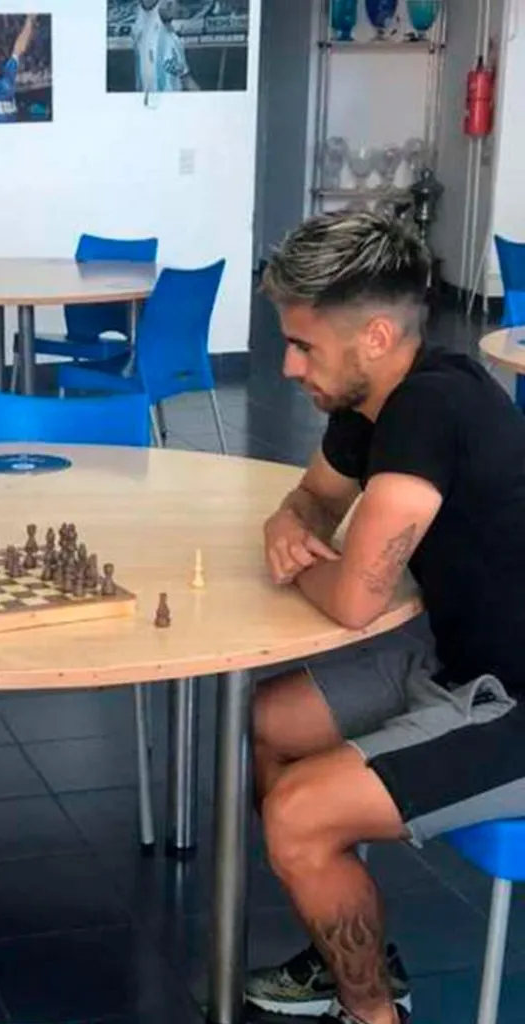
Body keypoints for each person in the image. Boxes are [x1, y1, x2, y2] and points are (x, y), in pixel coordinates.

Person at [245, 210, 525, 1024]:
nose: (291, 367)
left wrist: (297, 556)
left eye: (304, 347)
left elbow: (356, 594)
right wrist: (288, 525)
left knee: (296, 816)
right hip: (455, 655)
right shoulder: (366, 403)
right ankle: (347, 949)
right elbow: (310, 501)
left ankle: (372, 1013)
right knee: (272, 721)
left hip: (514, 701)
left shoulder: (429, 410)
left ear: (373, 336)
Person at [131, 0, 201, 93]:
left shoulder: (176, 41)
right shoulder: (145, 22)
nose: (169, 3)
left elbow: (185, 78)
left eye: (175, 2)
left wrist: (204, 100)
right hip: (149, 102)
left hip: (173, 103)